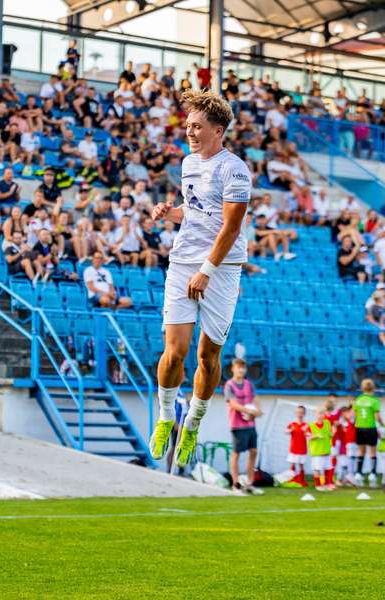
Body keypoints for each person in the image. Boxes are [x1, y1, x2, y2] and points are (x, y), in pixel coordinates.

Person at [147, 90, 251, 468]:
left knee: (208, 356)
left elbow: (230, 226)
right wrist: (169, 212)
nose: (189, 132)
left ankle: (193, 421)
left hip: (220, 270)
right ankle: (165, 417)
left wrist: (207, 272)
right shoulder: (189, 163)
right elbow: (195, 213)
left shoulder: (234, 169)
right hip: (182, 263)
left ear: (218, 130)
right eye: (188, 126)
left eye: (197, 126)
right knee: (174, 352)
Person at [224, 358, 262, 495]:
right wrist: (249, 411)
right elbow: (233, 404)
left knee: (253, 452)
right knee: (236, 454)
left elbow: (256, 399)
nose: (241, 370)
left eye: (243, 367)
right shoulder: (229, 385)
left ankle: (249, 483)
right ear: (233, 369)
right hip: (237, 426)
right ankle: (235, 484)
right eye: (238, 367)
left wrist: (258, 411)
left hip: (250, 424)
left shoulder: (249, 384)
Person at [352, 378, 381, 487]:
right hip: (370, 428)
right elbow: (377, 417)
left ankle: (358, 474)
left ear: (362, 388)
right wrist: (382, 426)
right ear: (373, 388)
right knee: (372, 452)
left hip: (359, 427)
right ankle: (372, 475)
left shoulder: (358, 400)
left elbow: (354, 416)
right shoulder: (374, 401)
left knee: (361, 451)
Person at [308, 407, 334, 492]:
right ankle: (318, 485)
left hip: (326, 451)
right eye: (319, 413)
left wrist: (331, 434)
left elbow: (330, 433)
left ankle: (328, 484)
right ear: (315, 414)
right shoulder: (311, 425)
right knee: (317, 469)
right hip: (317, 452)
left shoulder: (327, 423)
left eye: (322, 413)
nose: (320, 415)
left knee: (328, 468)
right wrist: (315, 436)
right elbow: (308, 436)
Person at [285, 404, 310, 486]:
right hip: (293, 448)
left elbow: (309, 434)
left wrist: (306, 432)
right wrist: (290, 430)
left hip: (302, 449)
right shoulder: (292, 424)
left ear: (304, 414)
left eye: (302, 413)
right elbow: (286, 431)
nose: (300, 414)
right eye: (298, 412)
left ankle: (302, 480)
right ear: (296, 413)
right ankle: (292, 479)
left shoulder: (306, 425)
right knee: (292, 463)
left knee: (301, 465)